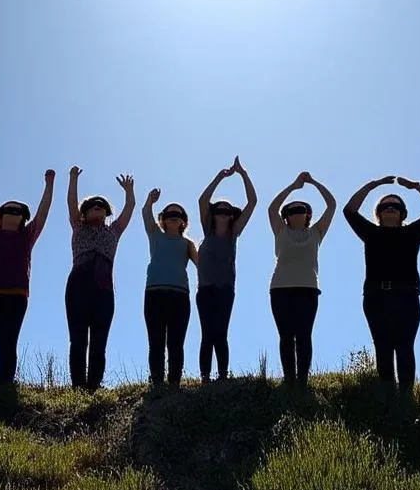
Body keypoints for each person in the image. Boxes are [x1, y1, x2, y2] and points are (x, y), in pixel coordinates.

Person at [343, 173, 420, 400]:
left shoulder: (412, 233)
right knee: (383, 348)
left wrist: (417, 186)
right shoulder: (370, 233)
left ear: (402, 213)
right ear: (378, 213)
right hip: (376, 297)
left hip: (406, 297)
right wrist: (372, 186)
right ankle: (388, 398)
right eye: (385, 205)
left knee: (405, 347)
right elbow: (349, 211)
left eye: (395, 205)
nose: (391, 208)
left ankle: (406, 398)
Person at [0, 167, 54, 386]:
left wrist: (49, 185)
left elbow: (43, 213)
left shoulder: (28, 235)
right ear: (1, 214)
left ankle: (5, 386)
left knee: (8, 344)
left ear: (24, 217)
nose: (14, 213)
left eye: (19, 211)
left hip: (15, 295)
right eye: (9, 210)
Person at [65, 167, 136, 391]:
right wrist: (73, 179)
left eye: (101, 206)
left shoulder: (113, 231)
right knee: (78, 340)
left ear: (106, 212)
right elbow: (71, 204)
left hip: (103, 289)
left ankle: (93, 386)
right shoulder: (79, 227)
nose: (97, 207)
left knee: (99, 342)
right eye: (91, 206)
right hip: (77, 284)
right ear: (84, 213)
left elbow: (129, 210)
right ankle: (78, 387)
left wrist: (129, 191)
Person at [267, 171, 337, 386]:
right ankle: (289, 380)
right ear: (285, 216)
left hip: (308, 289)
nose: (298, 212)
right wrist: (293, 186)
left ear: (308, 215)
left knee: (304, 335)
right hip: (280, 288)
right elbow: (271, 208)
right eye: (292, 210)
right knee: (286, 336)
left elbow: (332, 205)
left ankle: (302, 381)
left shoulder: (316, 232)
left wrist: (314, 182)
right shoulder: (280, 230)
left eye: (302, 209)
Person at [195, 156, 257, 383]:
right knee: (207, 335)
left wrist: (242, 173)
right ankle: (204, 379)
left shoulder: (234, 233)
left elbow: (252, 202)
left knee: (220, 334)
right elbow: (203, 200)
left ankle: (222, 377)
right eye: (219, 210)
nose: (222, 212)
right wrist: (219, 177)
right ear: (213, 214)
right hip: (205, 289)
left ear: (232, 216)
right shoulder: (207, 230)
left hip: (225, 289)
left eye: (227, 210)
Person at [142, 190, 198, 388]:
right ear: (163, 220)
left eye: (178, 215)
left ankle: (174, 382)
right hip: (154, 293)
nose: (173, 217)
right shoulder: (155, 235)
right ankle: (157, 381)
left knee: (176, 343)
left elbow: (202, 264)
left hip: (179, 295)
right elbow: (146, 215)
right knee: (156, 341)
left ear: (184, 221)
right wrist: (150, 201)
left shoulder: (188, 243)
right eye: (169, 215)